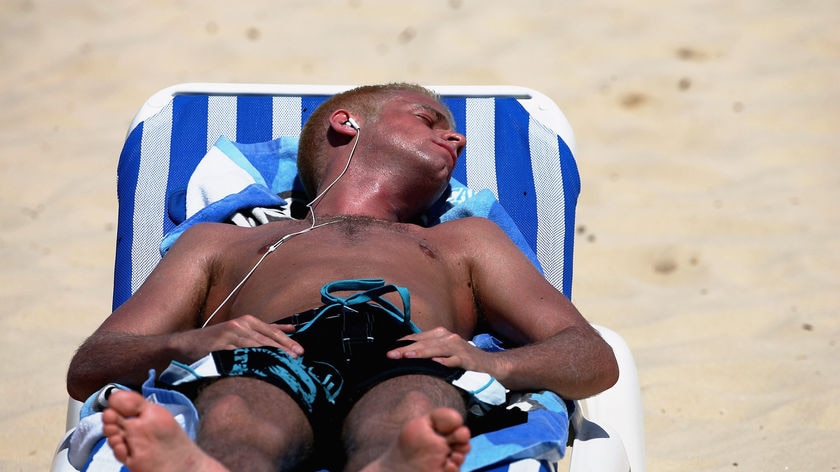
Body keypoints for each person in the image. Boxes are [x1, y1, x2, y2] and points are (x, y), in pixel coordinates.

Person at [67, 83, 619, 472]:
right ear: (346, 123)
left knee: (412, 412)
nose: (458, 141)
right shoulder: (220, 242)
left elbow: (591, 357)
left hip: (406, 349)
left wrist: (493, 363)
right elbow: (91, 364)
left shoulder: (466, 240)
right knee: (237, 413)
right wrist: (189, 342)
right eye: (430, 120)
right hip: (270, 346)